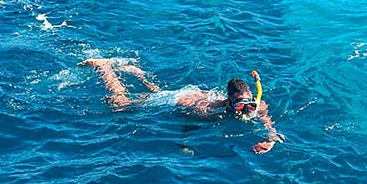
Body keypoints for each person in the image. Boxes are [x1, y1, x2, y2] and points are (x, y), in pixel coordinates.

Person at [79, 58, 283, 154]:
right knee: (119, 104)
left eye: (248, 106)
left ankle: (134, 71)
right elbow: (187, 122)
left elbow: (269, 125)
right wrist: (185, 144)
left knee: (156, 91)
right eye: (240, 107)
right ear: (229, 102)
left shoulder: (256, 105)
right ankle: (104, 67)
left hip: (190, 94)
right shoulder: (209, 109)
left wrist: (270, 142)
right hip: (178, 100)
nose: (246, 112)